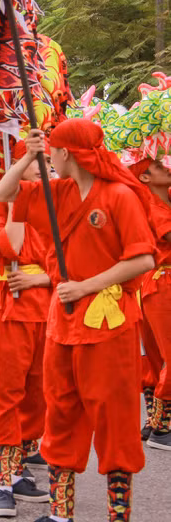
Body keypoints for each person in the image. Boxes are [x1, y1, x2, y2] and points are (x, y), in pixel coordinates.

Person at [0, 120, 156, 522]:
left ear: (67, 154)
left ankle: (119, 515)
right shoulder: (57, 193)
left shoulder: (119, 196)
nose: (48, 158)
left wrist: (85, 287)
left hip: (109, 323)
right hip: (63, 323)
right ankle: (61, 514)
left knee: (114, 420)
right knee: (62, 414)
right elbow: (3, 194)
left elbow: (143, 259)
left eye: (51, 152)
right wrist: (28, 155)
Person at [0, 141, 52, 517]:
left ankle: (21, 467)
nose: (42, 166)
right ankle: (2, 484)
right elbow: (11, 247)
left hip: (49, 305)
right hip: (9, 305)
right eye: (34, 160)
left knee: (39, 394)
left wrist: (42, 282)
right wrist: (16, 204)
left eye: (46, 161)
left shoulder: (56, 204)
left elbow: (77, 259)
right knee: (6, 393)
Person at [127, 156, 171, 450]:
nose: (167, 167)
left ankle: (153, 422)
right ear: (144, 178)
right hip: (162, 284)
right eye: (159, 166)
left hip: (154, 284)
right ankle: (163, 429)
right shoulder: (152, 206)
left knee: (155, 357)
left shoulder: (161, 200)